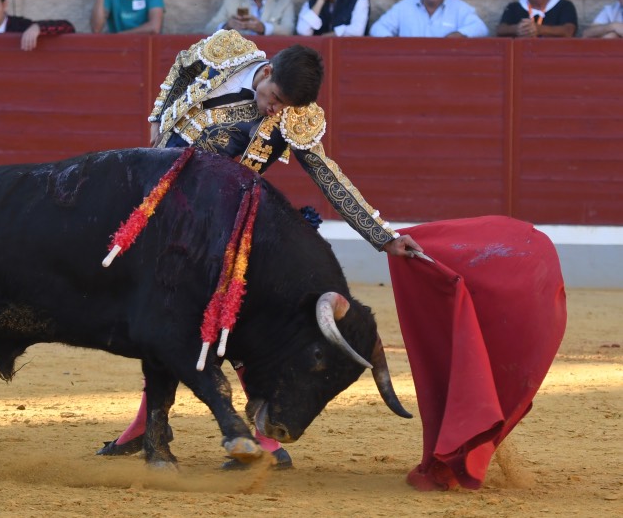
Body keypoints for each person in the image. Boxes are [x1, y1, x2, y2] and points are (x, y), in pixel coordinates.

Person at [97, 30, 423, 469]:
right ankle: (149, 426)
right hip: (162, 217)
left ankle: (263, 439)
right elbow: (182, 65)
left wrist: (383, 236)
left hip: (215, 234)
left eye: (287, 107)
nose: (278, 111)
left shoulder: (294, 119)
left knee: (225, 326)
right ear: (266, 71)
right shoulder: (227, 51)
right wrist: (158, 115)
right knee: (163, 321)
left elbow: (328, 175)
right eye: (275, 99)